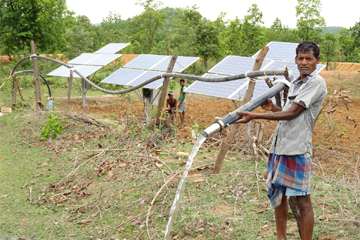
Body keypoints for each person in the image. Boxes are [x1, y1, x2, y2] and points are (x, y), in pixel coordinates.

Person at [236, 40, 327, 240]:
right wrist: (271, 108)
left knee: (303, 203)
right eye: (300, 58)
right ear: (295, 60)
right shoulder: (295, 84)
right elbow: (286, 112)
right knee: (278, 197)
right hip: (279, 147)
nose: (304, 62)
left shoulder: (316, 83)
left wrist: (255, 116)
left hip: (297, 149)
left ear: (317, 61)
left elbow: (293, 113)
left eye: (309, 59)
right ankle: (281, 238)